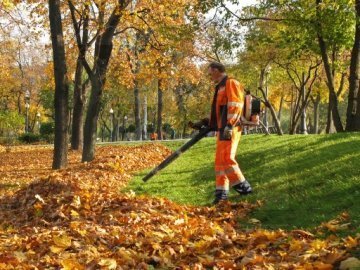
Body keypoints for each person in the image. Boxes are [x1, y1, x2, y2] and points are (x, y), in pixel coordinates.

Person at [207, 62, 253, 204]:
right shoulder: (220, 87)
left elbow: (236, 105)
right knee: (220, 161)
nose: (209, 76)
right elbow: (220, 110)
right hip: (223, 128)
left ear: (216, 70)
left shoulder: (231, 83)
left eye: (210, 72)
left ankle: (245, 188)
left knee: (227, 159)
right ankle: (221, 195)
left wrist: (229, 125)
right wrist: (206, 122)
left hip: (230, 128)